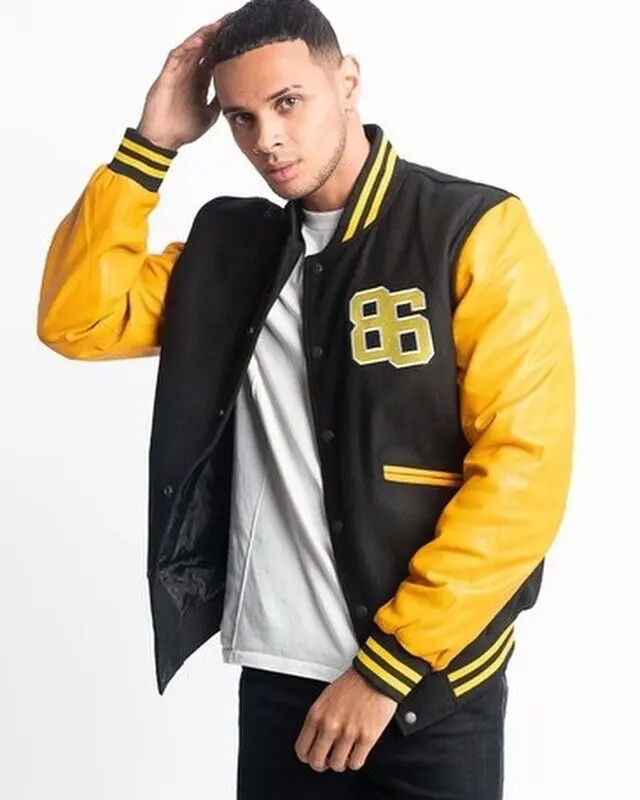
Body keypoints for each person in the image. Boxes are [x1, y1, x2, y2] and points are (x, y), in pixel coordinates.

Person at [36, 1, 575, 797]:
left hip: (428, 688)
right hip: (280, 684)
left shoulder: (472, 229)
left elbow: (524, 473)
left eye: (288, 102)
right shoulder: (232, 254)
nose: (268, 139)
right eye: (243, 118)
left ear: (347, 81)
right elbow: (76, 318)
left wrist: (388, 668)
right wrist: (150, 146)